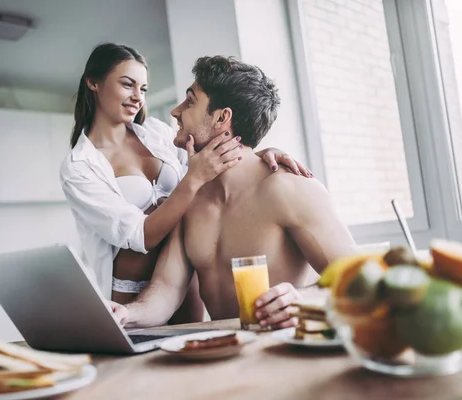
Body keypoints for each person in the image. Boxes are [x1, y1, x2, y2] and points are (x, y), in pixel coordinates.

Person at [60, 43, 312, 323]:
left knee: (190, 338)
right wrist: (192, 180)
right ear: (93, 82)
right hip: (131, 284)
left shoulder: (155, 133)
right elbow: (143, 235)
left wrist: (257, 153)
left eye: (142, 89)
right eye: (127, 84)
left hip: (182, 267)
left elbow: (210, 149)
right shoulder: (79, 166)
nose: (137, 97)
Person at [112, 56, 355, 329]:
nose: (176, 112)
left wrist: (302, 300)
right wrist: (126, 313)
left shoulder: (289, 188)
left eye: (190, 102)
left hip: (285, 352)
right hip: (226, 351)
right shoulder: (189, 202)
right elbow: (166, 290)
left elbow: (359, 282)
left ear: (221, 118)